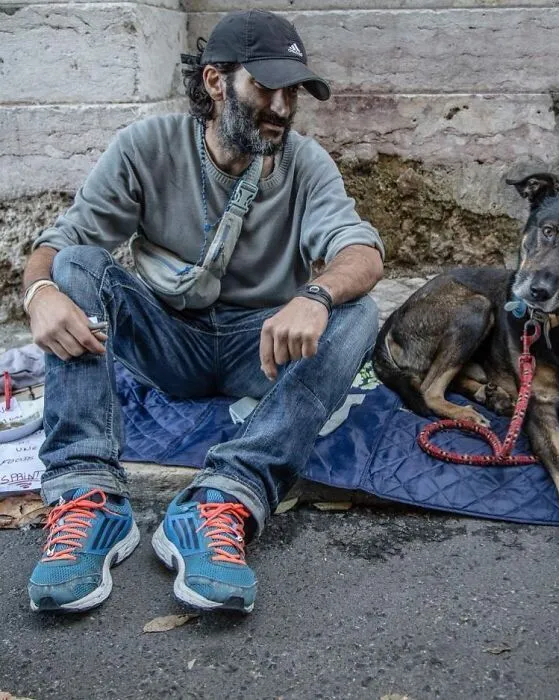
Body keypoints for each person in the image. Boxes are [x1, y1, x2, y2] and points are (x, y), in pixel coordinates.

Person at [22, 9, 384, 614]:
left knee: (360, 311)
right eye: (263, 87)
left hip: (261, 348)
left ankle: (225, 497)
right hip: (168, 340)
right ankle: (88, 500)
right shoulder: (147, 146)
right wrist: (40, 295)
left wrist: (315, 295)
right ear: (216, 82)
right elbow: (59, 245)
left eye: (291, 91)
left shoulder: (305, 162)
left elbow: (361, 251)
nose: (282, 107)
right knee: (76, 270)